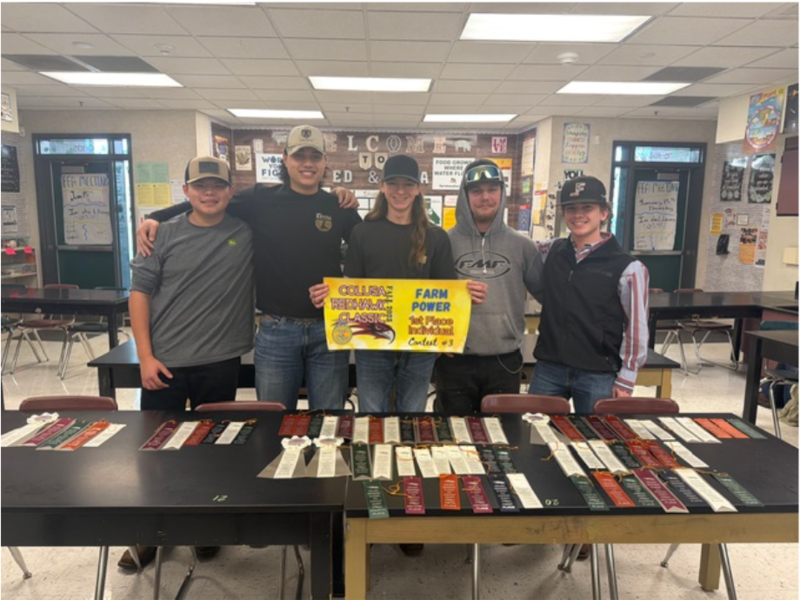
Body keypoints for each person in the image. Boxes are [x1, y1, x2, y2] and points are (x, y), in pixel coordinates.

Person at [137, 125, 361, 411]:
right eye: (299, 155)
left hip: (329, 330)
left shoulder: (338, 205)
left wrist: (343, 289)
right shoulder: (259, 199)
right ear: (284, 158)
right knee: (273, 424)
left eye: (315, 156)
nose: (307, 163)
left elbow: (371, 250)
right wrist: (157, 216)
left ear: (325, 162)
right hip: (276, 331)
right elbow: (209, 199)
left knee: (328, 421)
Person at [121, 155, 252, 569]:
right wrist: (144, 357)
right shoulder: (159, 236)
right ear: (186, 192)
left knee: (212, 452)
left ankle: (202, 526)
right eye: (200, 186)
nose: (209, 192)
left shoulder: (247, 232)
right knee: (157, 454)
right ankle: (149, 535)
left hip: (221, 360)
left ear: (231, 191)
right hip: (166, 363)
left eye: (217, 185)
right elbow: (139, 294)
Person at [310, 155, 459, 413]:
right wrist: (331, 295)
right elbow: (352, 288)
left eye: (408, 184)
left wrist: (444, 333)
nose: (400, 191)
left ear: (418, 188)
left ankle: (405, 455)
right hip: (373, 343)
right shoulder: (363, 232)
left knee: (412, 414)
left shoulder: (436, 236)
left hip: (419, 344)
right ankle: (374, 455)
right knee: (372, 415)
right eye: (393, 183)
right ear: (382, 186)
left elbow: (446, 291)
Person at [530, 175, 649, 414]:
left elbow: (636, 327)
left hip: (598, 374)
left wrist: (626, 379)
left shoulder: (628, 268)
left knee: (596, 441)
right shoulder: (550, 251)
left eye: (588, 207)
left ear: (604, 212)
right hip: (549, 368)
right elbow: (518, 250)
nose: (578, 215)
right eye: (571, 208)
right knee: (535, 438)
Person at [434, 158, 543, 415]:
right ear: (465, 195)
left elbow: (551, 298)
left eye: (492, 189)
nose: (485, 197)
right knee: (453, 439)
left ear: (502, 194)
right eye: (477, 190)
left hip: (504, 360)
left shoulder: (523, 246)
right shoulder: (442, 242)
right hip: (454, 360)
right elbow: (425, 296)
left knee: (504, 442)